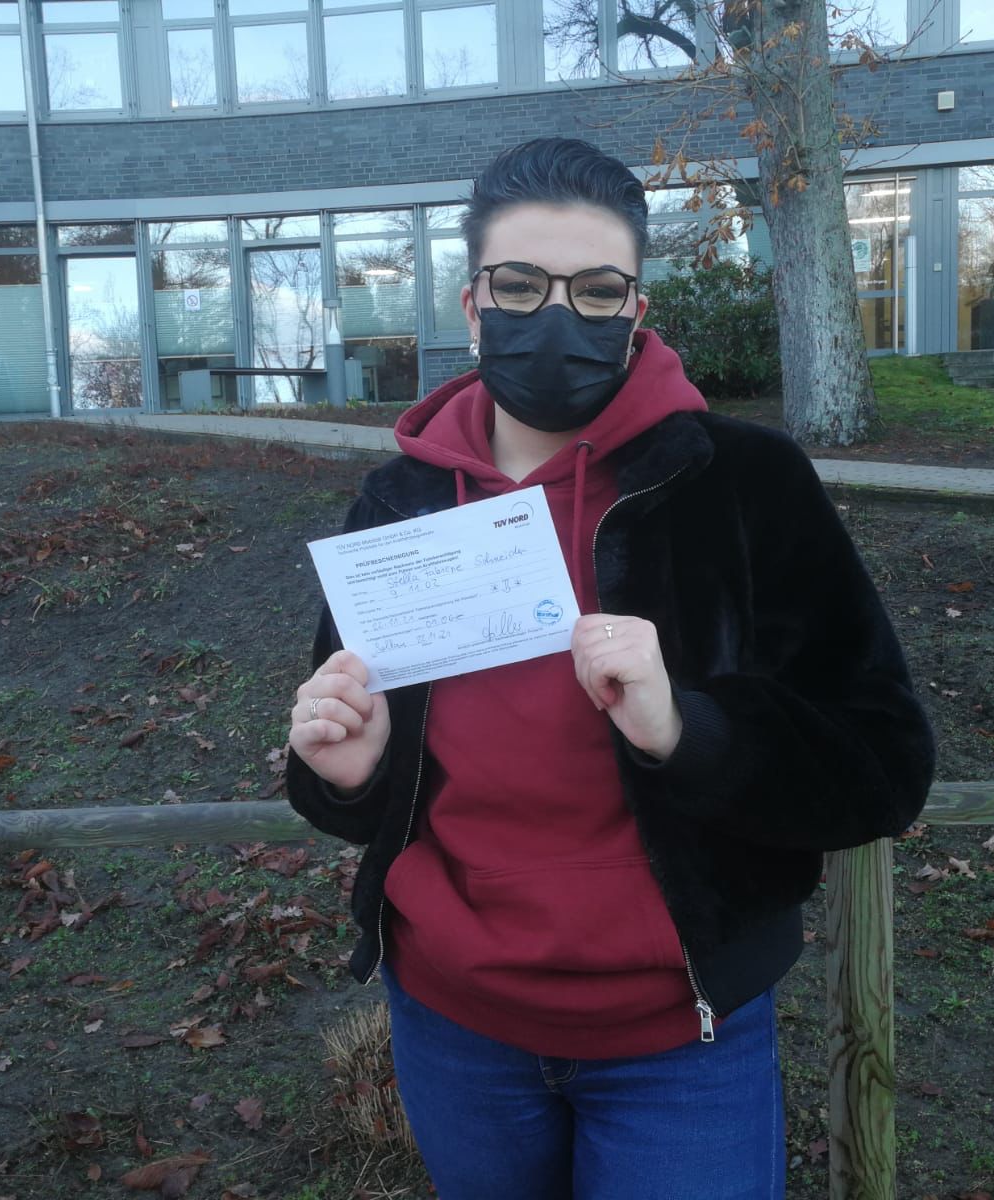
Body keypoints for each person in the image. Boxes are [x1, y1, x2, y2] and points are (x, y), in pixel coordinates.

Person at [285, 137, 937, 1199]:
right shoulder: (401, 505)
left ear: (636, 309)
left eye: (595, 290)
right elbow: (355, 781)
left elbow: (884, 764)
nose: (557, 316)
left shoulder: (745, 485)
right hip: (454, 1023)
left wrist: (689, 730)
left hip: (680, 1038)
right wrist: (345, 775)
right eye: (519, 285)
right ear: (472, 304)